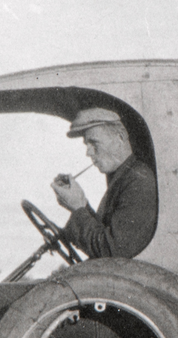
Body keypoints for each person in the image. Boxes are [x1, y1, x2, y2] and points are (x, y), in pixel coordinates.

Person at [51, 107, 158, 259]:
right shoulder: (126, 176)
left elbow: (110, 251)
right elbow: (104, 235)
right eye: (87, 144)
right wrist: (81, 204)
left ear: (120, 137)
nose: (88, 152)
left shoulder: (139, 180)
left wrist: (78, 208)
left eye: (94, 142)